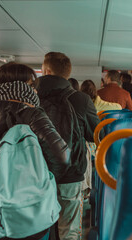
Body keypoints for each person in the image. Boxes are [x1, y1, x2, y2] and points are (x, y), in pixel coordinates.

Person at [0, 62, 71, 240]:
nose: (35, 91)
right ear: (22, 86)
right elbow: (62, 157)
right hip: (31, 205)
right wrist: (43, 179)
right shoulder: (33, 114)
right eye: (32, 86)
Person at [36, 52, 101, 240]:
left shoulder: (30, 97)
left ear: (46, 71)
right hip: (70, 174)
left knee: (38, 228)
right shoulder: (81, 99)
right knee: (69, 230)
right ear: (66, 74)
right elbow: (94, 134)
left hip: (37, 173)